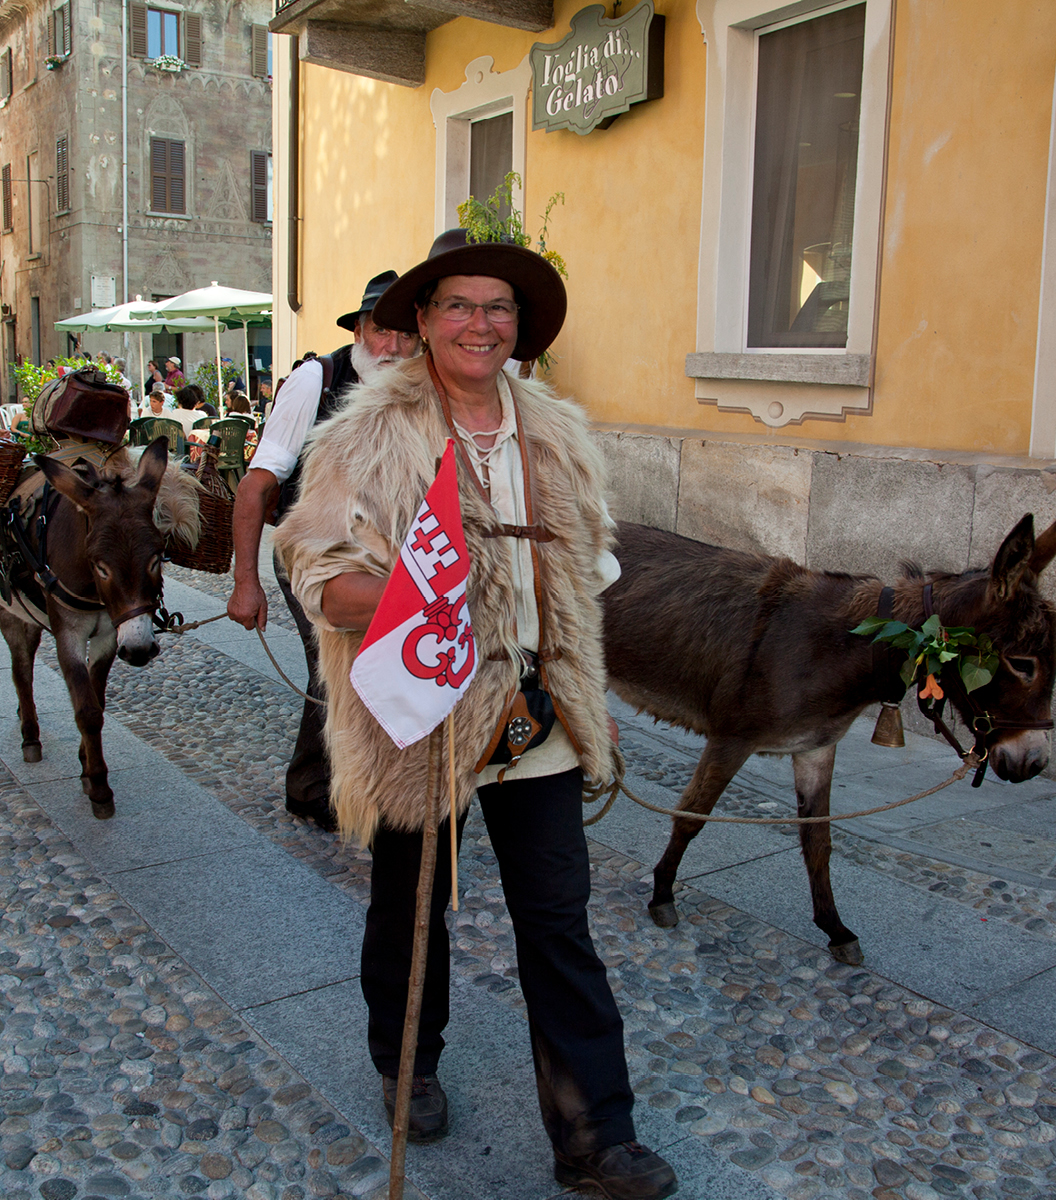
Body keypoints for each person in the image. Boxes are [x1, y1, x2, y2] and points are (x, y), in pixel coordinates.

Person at [273, 232, 677, 1200]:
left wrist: (590, 698)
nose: (479, 324)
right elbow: (315, 572)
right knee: (411, 908)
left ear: (519, 328)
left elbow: (585, 578)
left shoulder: (557, 435)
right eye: (458, 304)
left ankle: (595, 1136)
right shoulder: (365, 436)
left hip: (534, 715)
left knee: (559, 922)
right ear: (422, 320)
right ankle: (406, 1063)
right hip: (426, 714)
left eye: (497, 308)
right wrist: (413, 593)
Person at [227, 270, 420, 832]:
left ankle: (328, 781)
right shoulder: (318, 379)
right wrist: (246, 581)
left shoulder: (417, 388)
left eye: (406, 335)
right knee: (337, 665)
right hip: (310, 555)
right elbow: (257, 484)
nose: (392, 347)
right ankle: (331, 789)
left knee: (367, 665)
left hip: (381, 558)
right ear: (359, 330)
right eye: (380, 331)